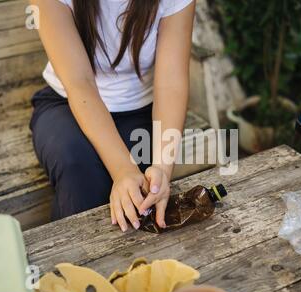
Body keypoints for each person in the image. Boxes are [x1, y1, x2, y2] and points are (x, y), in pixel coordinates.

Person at [29, 0, 195, 232]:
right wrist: (122, 170)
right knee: (78, 166)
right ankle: (74, 264)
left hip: (140, 109)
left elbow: (171, 81)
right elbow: (80, 82)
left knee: (144, 190)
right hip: (65, 103)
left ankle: (142, 267)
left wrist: (162, 168)